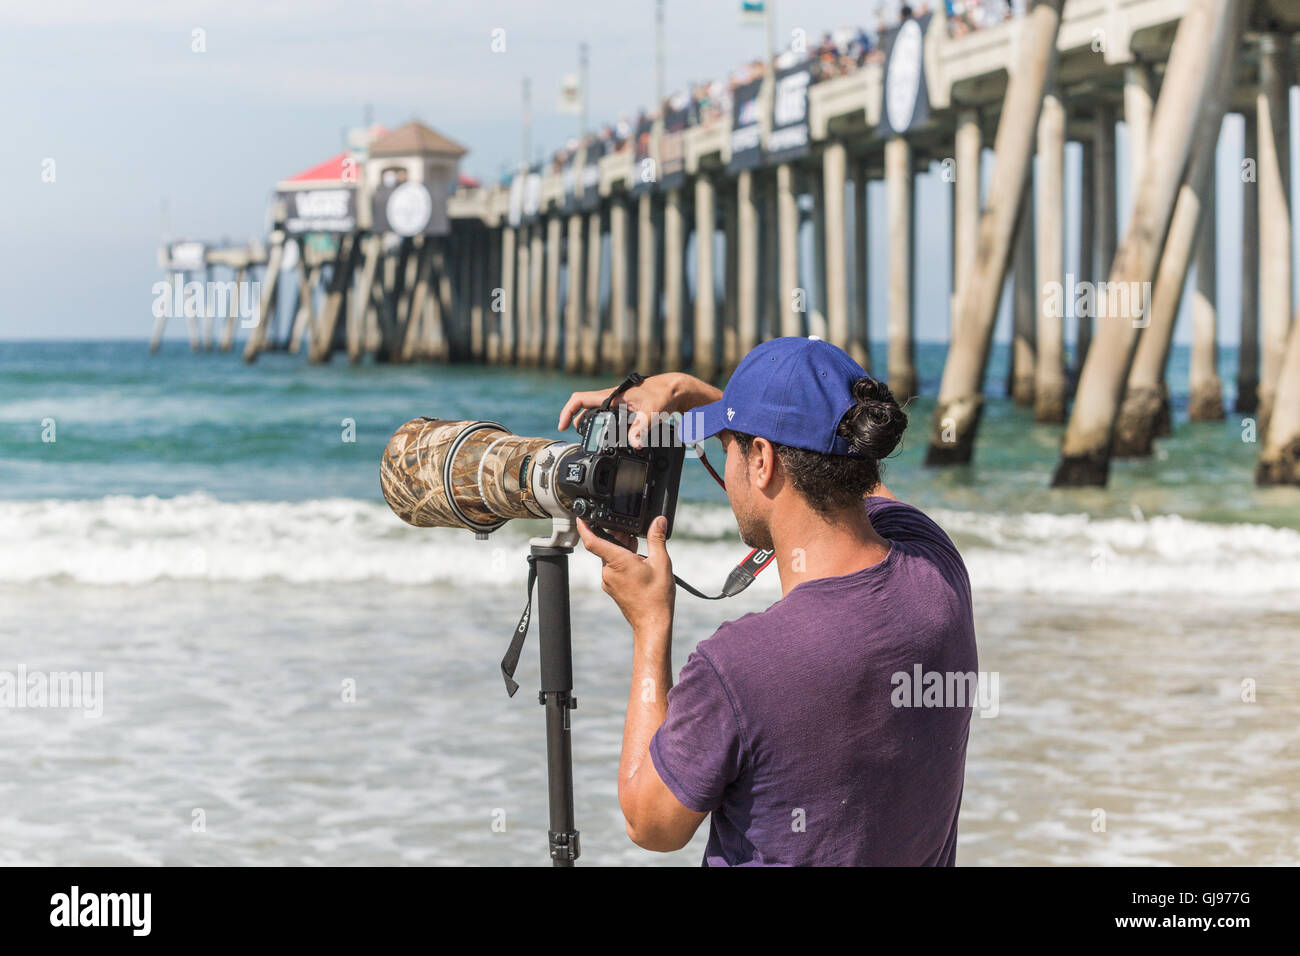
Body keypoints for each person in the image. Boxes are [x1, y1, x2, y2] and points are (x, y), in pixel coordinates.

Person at [557, 338, 978, 866]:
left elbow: (651, 824)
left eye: (730, 444)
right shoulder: (936, 568)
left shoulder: (740, 665)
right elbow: (859, 483)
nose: (725, 463)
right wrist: (702, 398)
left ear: (760, 459)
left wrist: (650, 624)